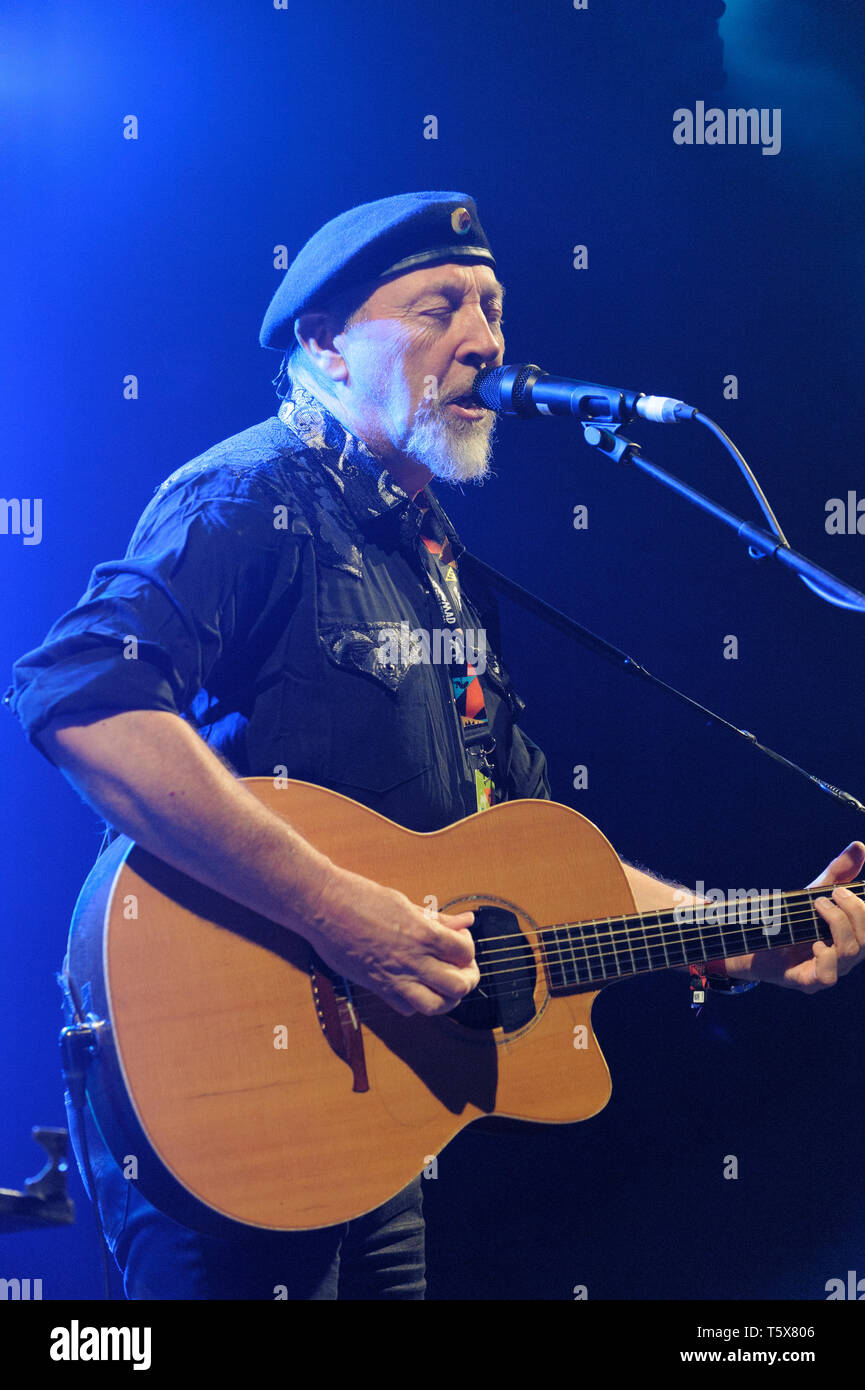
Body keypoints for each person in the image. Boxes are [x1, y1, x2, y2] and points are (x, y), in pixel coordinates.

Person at [7, 191, 865, 1300]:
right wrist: (340, 913)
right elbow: (79, 698)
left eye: (494, 306)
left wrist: (734, 936)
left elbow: (535, 871)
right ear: (324, 343)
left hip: (372, 1109)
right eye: (438, 305)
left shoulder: (438, 558)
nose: (488, 338)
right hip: (222, 1092)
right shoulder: (246, 494)